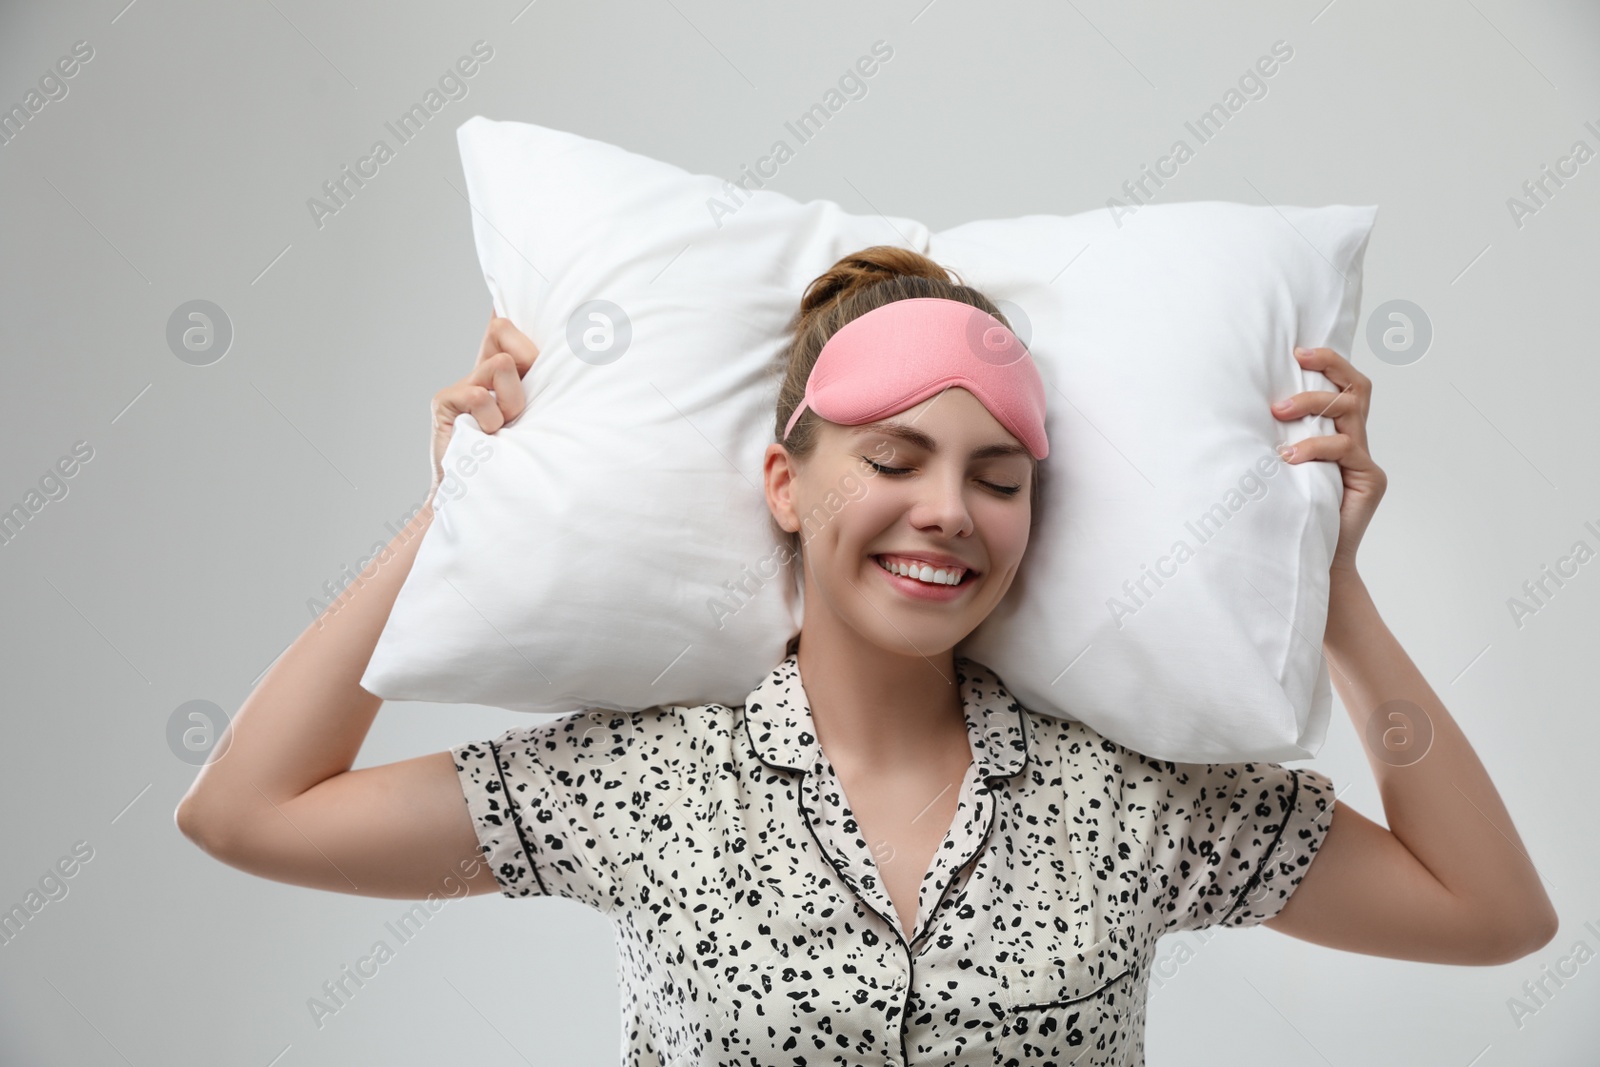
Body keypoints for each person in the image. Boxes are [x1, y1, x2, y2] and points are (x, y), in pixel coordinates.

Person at [176, 247, 1558, 1066]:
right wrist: (463, 508)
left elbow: (1492, 914)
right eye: (893, 460)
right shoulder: (645, 781)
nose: (948, 509)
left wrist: (1334, 591)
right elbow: (246, 811)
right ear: (788, 484)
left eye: (997, 476)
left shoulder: (1136, 801)